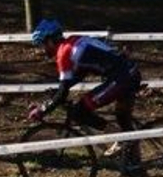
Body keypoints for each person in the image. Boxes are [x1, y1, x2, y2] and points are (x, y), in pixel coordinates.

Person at [27, 20, 144, 166]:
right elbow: (79, 74)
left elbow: (63, 91)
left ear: (50, 41)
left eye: (42, 45)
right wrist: (57, 94)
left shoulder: (64, 53)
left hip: (121, 78)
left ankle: (119, 139)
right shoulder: (73, 41)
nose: (42, 50)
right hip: (129, 72)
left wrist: (43, 110)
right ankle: (136, 165)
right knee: (124, 121)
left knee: (79, 112)